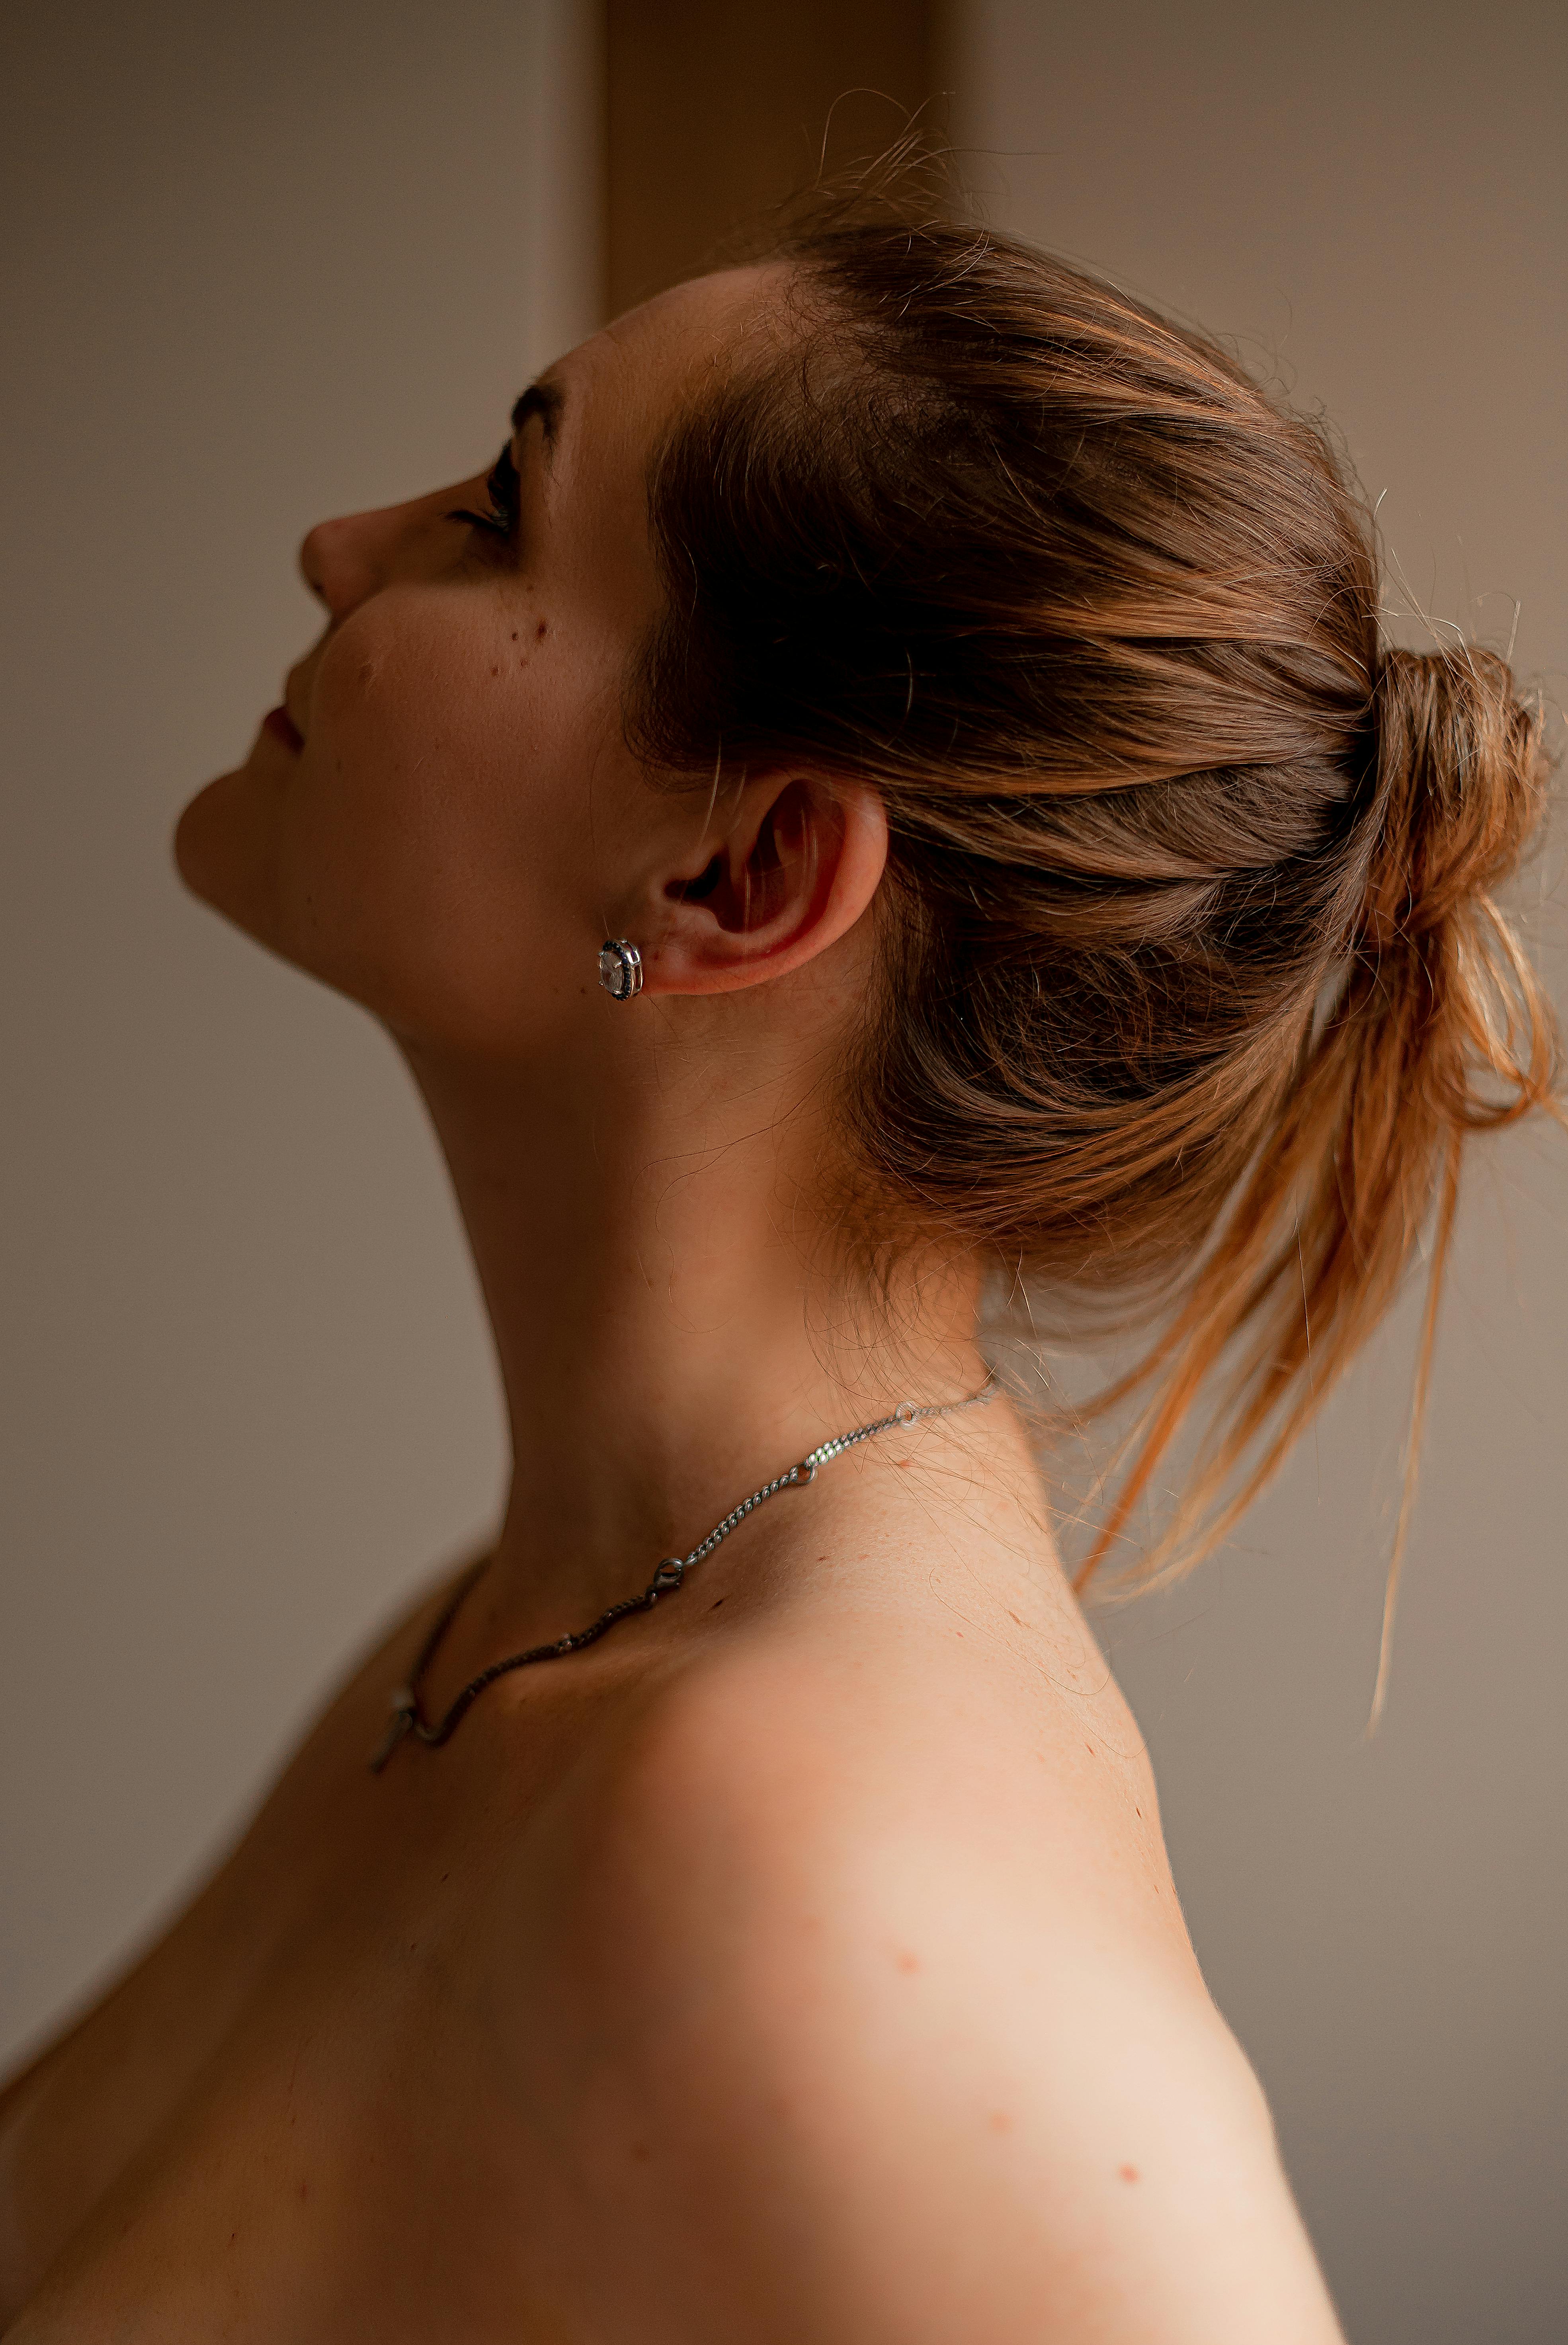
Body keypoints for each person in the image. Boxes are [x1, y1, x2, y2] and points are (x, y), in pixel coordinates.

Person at [0, 208, 1555, 2343]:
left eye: (491, 514)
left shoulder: (809, 1848)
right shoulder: (511, 1626)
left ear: (738, 873)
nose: (336, 546)